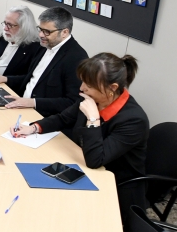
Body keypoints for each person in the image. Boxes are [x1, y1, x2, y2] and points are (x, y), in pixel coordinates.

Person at [10, 53, 149, 221]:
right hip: (80, 167)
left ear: (112, 88)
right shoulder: (93, 98)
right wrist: (33, 127)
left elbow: (96, 160)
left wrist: (92, 119)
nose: (82, 88)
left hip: (114, 187)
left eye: (88, 85)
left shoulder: (133, 119)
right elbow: (62, 118)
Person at [0, 6, 88, 117]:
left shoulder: (76, 57)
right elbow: (32, 78)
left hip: (43, 116)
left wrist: (33, 102)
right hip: (21, 105)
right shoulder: (44, 46)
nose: (41, 35)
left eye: (47, 31)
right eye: (40, 29)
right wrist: (6, 79)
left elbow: (73, 102)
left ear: (64, 32)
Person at [0, 5, 42, 78]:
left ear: (24, 27)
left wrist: (5, 79)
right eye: (5, 23)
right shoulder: (1, 36)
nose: (5, 28)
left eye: (10, 25)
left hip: (8, 85)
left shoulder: (35, 47)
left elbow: (27, 77)